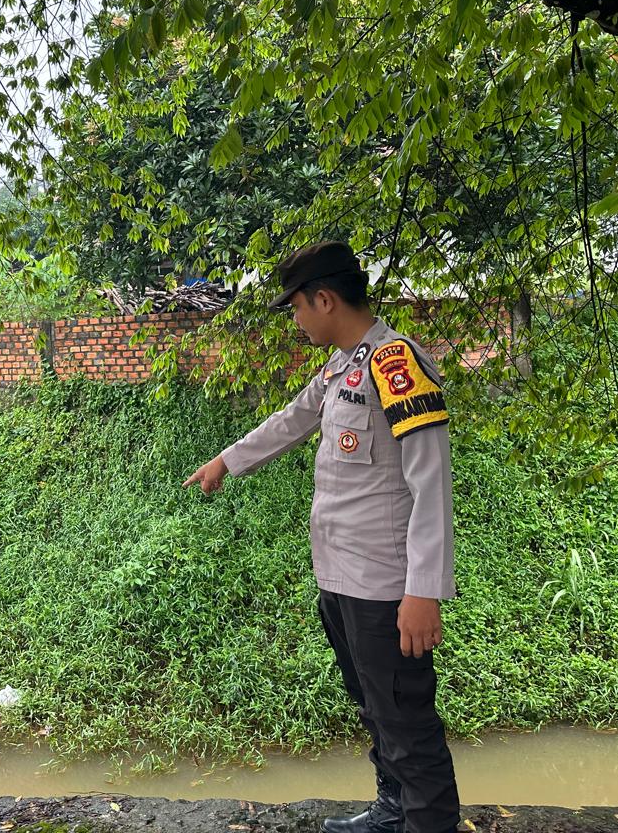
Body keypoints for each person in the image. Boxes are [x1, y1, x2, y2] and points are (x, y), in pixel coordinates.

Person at [184, 242, 460, 833]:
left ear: (325, 300)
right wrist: (227, 461)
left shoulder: (396, 364)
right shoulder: (342, 366)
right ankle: (393, 809)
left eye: (296, 308)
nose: (296, 320)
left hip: (386, 587)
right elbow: (292, 418)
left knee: (407, 722)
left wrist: (424, 591)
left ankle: (426, 822)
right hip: (341, 578)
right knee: (374, 706)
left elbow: (431, 482)